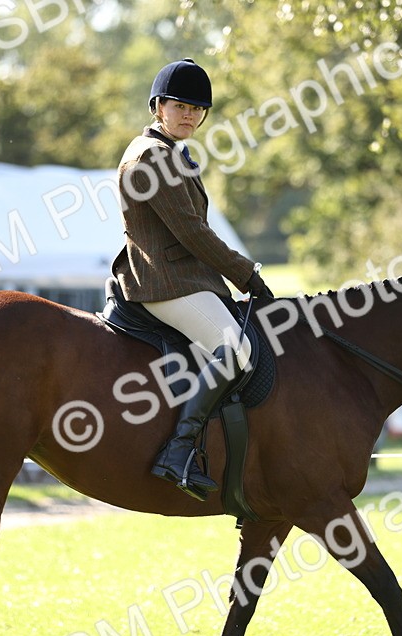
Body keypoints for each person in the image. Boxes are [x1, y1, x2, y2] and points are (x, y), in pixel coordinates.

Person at [112, 58, 273, 500]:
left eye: (197, 109)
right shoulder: (151, 157)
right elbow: (192, 232)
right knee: (235, 349)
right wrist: (247, 274)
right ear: (158, 107)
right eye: (180, 105)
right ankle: (178, 450)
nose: (189, 115)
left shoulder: (170, 153)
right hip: (163, 282)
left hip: (182, 278)